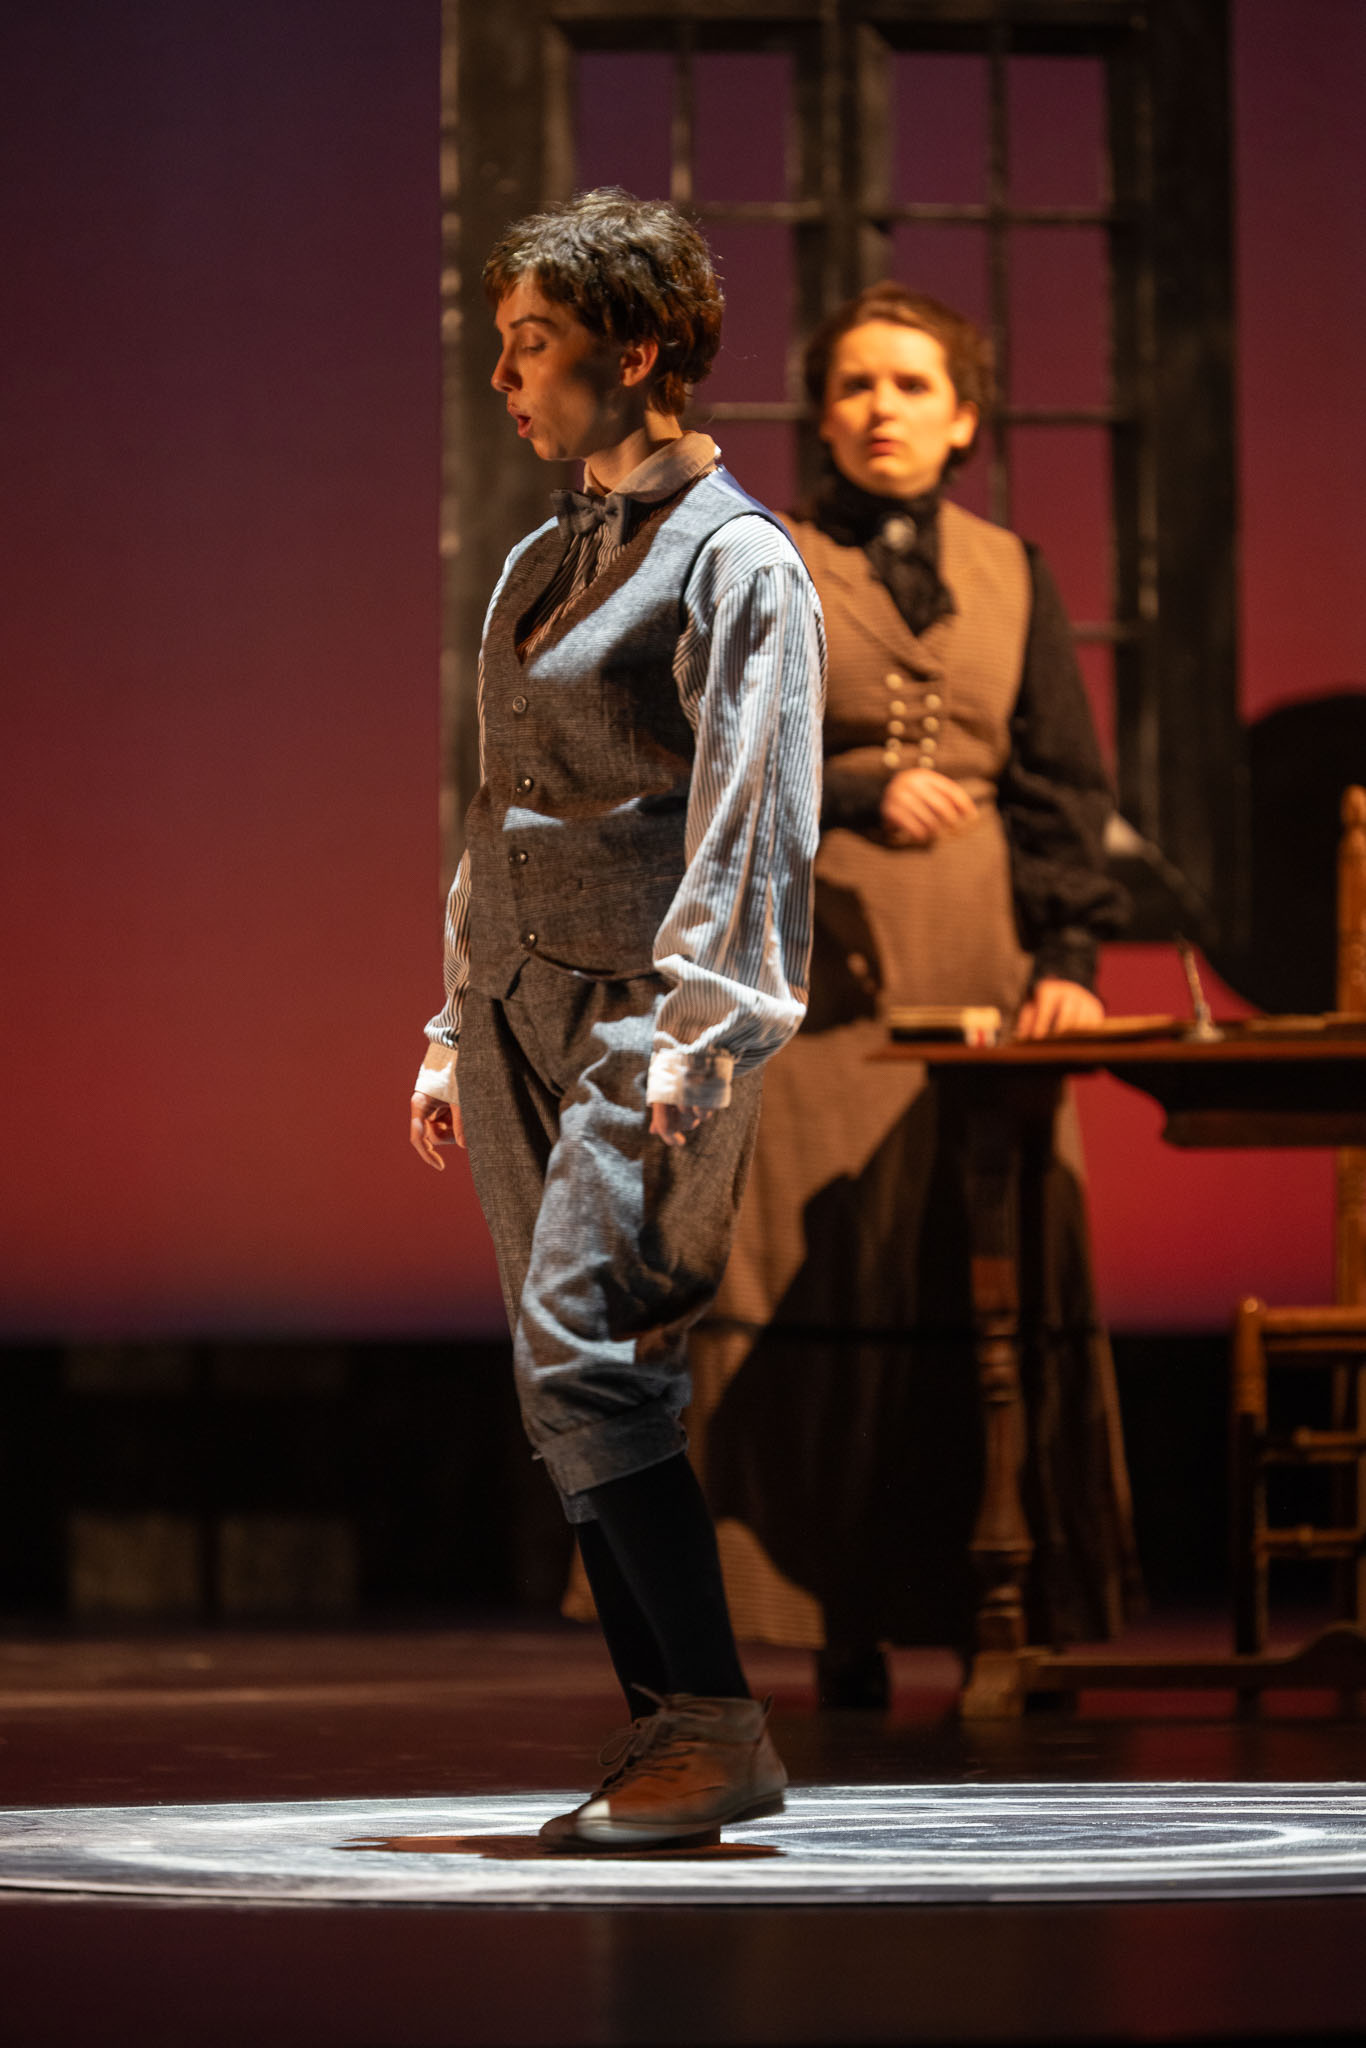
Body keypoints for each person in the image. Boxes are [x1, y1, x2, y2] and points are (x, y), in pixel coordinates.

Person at [408, 190, 825, 1843]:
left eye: (534, 343)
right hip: (514, 1001)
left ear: (634, 347)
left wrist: (702, 1030)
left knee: (589, 1346)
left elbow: (751, 810)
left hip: (646, 1018)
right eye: (503, 344)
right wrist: (449, 1023)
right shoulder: (541, 557)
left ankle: (713, 1724)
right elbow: (500, 803)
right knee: (560, 1372)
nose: (505, 377)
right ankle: (670, 1729)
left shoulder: (737, 560)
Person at [682, 283, 1139, 1707]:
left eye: (912, 384)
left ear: (963, 419)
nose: (882, 408)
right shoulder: (765, 558)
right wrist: (858, 784)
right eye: (855, 385)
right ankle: (840, 1615)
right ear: (822, 416)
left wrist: (1068, 964)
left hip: (984, 967)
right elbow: (705, 759)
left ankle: (1012, 1608)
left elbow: (1063, 784)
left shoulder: (1013, 570)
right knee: (832, 1281)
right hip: (823, 975)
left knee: (991, 1265)